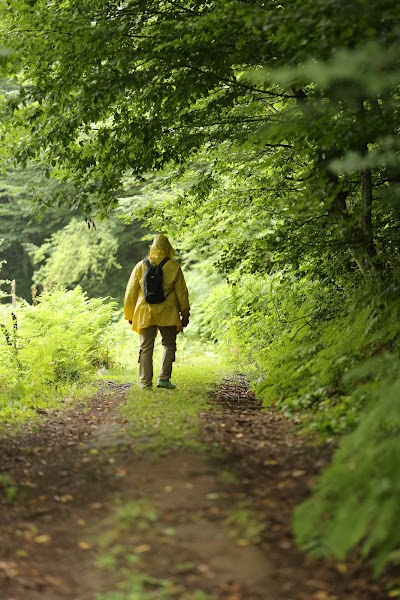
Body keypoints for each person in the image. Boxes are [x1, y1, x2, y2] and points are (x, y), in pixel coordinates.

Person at [124, 234, 190, 389]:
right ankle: (163, 378)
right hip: (167, 312)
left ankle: (145, 383)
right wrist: (185, 313)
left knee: (146, 347)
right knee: (168, 344)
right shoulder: (173, 266)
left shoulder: (141, 265)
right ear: (168, 248)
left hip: (145, 311)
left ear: (152, 248)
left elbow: (131, 292)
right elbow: (182, 292)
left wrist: (129, 313)